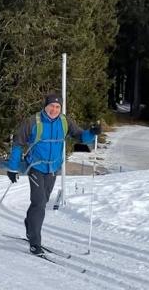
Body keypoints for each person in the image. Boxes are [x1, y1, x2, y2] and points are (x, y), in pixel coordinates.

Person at [7, 93, 99, 256]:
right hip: (35, 166)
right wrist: (13, 168)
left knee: (43, 200)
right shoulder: (33, 122)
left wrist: (92, 132)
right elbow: (18, 142)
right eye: (51, 106)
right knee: (39, 203)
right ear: (45, 106)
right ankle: (35, 242)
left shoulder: (65, 121)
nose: (54, 110)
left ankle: (30, 224)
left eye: (57, 107)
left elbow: (80, 136)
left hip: (53, 168)